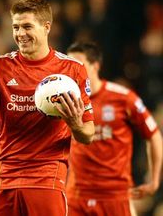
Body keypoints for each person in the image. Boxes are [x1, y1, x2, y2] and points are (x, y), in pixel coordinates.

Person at [0, 0, 95, 216]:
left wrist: (74, 123)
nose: (20, 34)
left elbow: (88, 134)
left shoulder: (72, 70)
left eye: (27, 26)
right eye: (16, 27)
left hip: (46, 177)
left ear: (46, 27)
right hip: (6, 176)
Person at [66, 41, 162, 216]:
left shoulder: (123, 98)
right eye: (69, 65)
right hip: (76, 196)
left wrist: (154, 179)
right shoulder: (65, 103)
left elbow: (154, 134)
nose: (73, 71)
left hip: (114, 196)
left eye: (79, 65)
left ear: (95, 66)